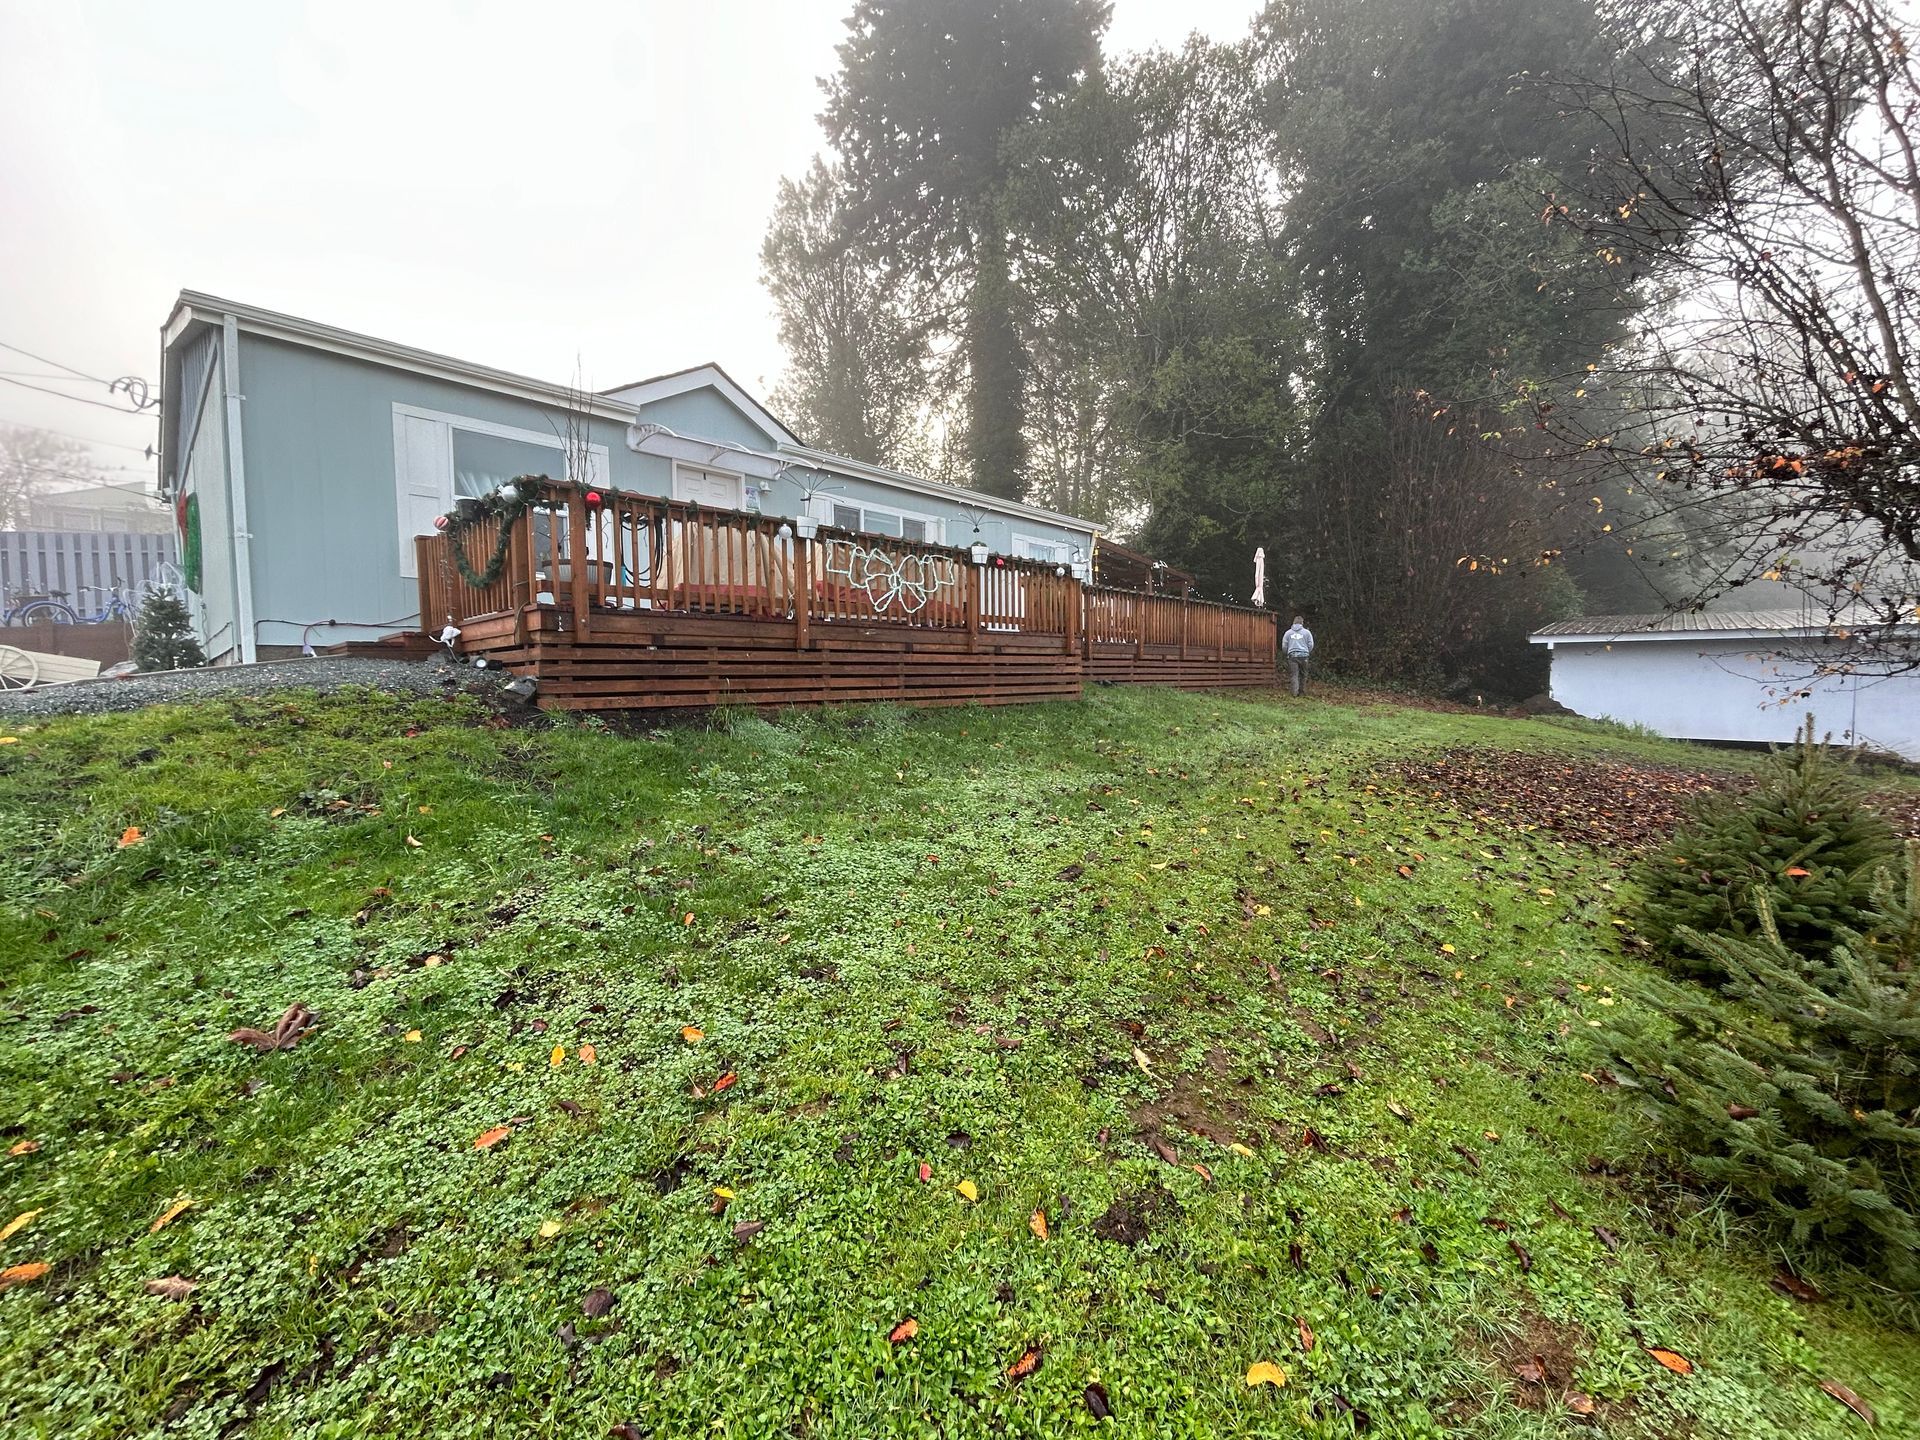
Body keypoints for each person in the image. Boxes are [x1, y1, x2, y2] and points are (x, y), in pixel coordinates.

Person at [1282, 615, 1314, 696]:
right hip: (1304, 656)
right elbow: (1311, 644)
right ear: (1302, 623)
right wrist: (1307, 651)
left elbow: (1284, 646)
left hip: (1292, 656)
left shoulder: (1288, 633)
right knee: (1303, 674)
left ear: (1293, 623)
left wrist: (1287, 652)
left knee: (1294, 674)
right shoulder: (1307, 632)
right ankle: (1302, 692)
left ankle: (1294, 693)